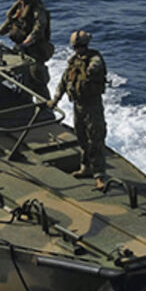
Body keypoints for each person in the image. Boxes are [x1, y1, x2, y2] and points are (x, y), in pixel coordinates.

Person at [48, 30, 109, 190]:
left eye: (81, 47)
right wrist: (55, 99)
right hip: (78, 105)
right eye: (76, 47)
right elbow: (64, 81)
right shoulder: (73, 62)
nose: (78, 50)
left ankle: (99, 175)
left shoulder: (94, 59)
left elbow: (95, 68)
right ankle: (85, 167)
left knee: (95, 139)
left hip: (92, 105)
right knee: (81, 137)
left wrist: (87, 68)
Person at [0, 0, 53, 99]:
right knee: (22, 79)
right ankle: (26, 104)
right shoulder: (18, 8)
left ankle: (46, 109)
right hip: (21, 48)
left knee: (37, 79)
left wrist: (25, 43)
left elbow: (38, 30)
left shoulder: (37, 9)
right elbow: (8, 24)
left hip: (35, 49)